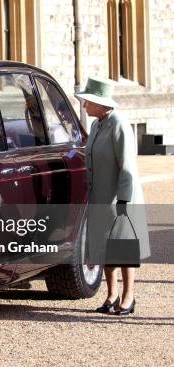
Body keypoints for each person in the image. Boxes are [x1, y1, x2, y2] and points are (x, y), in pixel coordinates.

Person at [77, 77, 149, 316]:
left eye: (88, 102)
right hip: (100, 197)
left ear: (101, 103)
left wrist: (124, 203)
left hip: (120, 198)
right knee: (103, 247)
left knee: (123, 248)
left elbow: (127, 167)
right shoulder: (98, 124)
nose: (85, 106)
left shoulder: (119, 125)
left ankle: (129, 297)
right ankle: (111, 295)